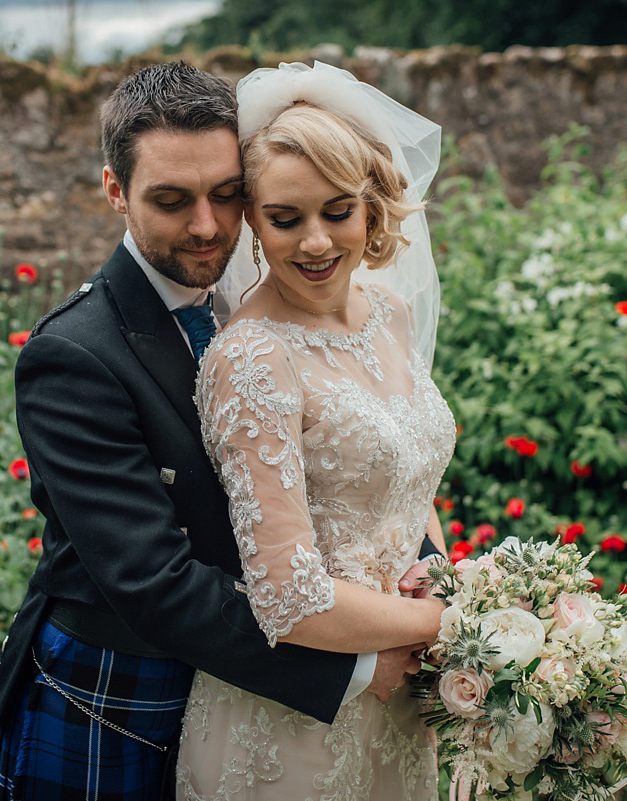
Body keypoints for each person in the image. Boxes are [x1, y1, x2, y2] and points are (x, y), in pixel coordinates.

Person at [0, 61, 443, 801]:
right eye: (171, 200)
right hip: (112, 695)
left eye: (227, 195)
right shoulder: (74, 355)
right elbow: (153, 581)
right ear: (115, 190)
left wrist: (430, 575)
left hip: (269, 682)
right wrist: (368, 659)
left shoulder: (273, 295)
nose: (207, 225)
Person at [175, 62, 457, 800]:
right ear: (253, 224)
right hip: (295, 720)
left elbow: (406, 481)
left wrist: (450, 574)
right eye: (285, 217)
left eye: (337, 211)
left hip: (402, 695)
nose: (315, 242)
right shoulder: (252, 357)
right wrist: (451, 620)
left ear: (371, 208)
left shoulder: (388, 314)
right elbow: (288, 594)